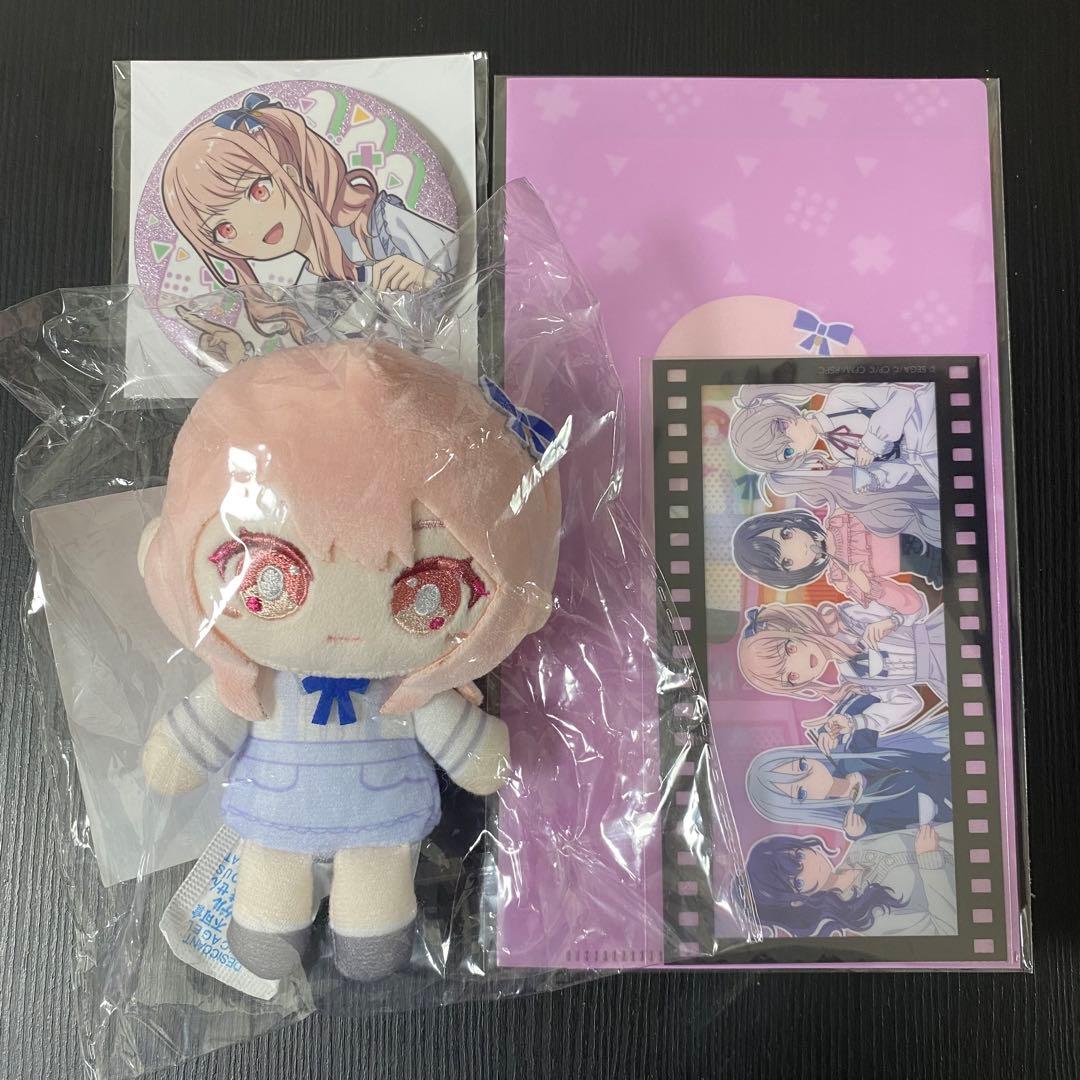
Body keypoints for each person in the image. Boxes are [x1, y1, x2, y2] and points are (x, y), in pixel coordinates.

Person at [746, 823, 957, 937]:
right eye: (798, 882)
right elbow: (948, 932)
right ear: (797, 901)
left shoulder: (858, 848)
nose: (811, 866)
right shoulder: (870, 919)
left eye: (799, 855)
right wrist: (930, 862)